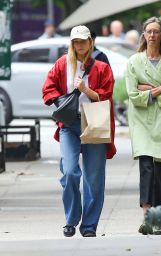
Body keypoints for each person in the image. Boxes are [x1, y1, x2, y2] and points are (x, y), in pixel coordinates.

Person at [42, 25, 116, 237]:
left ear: (90, 42)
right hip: (69, 124)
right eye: (76, 41)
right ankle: (71, 219)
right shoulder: (62, 64)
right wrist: (60, 101)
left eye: (83, 40)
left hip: (94, 121)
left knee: (93, 178)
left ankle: (89, 226)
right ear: (71, 43)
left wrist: (86, 90)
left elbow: (106, 94)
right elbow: (48, 88)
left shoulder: (101, 67)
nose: (80, 44)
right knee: (70, 172)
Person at [125, 17, 161, 235]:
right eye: (148, 31)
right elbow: (133, 94)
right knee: (146, 167)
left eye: (156, 31)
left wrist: (150, 89)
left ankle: (159, 220)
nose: (152, 35)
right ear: (143, 34)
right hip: (142, 120)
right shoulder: (134, 61)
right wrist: (158, 89)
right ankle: (147, 216)